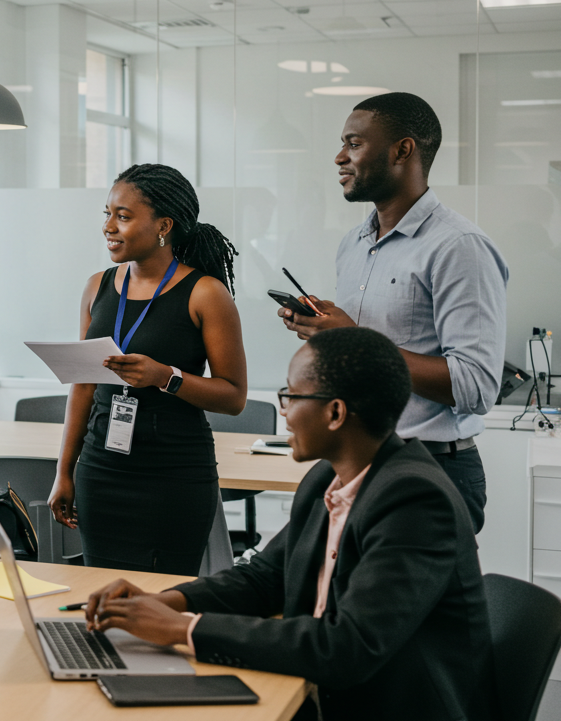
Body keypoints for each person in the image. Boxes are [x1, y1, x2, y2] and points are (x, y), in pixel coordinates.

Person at [83, 327, 492, 721]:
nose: (283, 411)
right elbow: (264, 578)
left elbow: (347, 647)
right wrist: (171, 601)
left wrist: (183, 628)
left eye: (290, 396)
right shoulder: (325, 479)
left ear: (335, 412)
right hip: (325, 696)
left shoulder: (414, 500)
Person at [278, 92, 508, 534]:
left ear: (403, 150)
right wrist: (328, 333)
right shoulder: (354, 242)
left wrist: (359, 340)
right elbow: (365, 357)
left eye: (354, 143)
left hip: (430, 467)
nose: (339, 157)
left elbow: (475, 386)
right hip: (356, 463)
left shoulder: (459, 247)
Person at [46, 163, 247, 576]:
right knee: (100, 589)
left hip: (174, 476)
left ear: (163, 225)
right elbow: (84, 388)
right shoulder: (97, 286)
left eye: (123, 216)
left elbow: (234, 396)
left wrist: (165, 377)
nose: (109, 227)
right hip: (101, 471)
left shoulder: (206, 293)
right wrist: (64, 471)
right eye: (107, 214)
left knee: (164, 600)